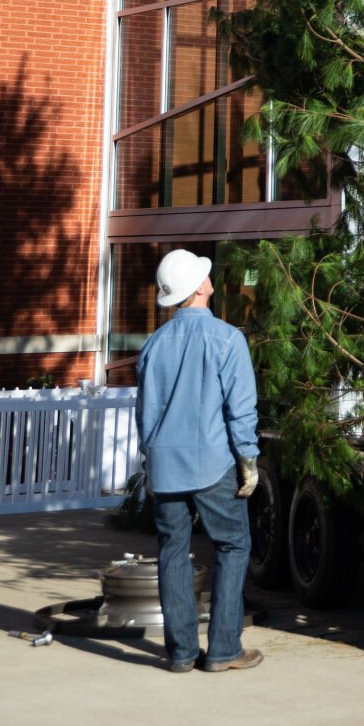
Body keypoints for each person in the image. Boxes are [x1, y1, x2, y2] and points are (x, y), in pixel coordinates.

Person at [135, 248, 263, 674]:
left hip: (166, 467)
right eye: (207, 277)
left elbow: (146, 415)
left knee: (172, 552)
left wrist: (149, 463)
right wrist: (248, 459)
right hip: (213, 464)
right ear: (202, 287)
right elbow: (240, 411)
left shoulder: (154, 344)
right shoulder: (228, 339)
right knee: (233, 544)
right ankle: (224, 649)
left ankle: (181, 653)